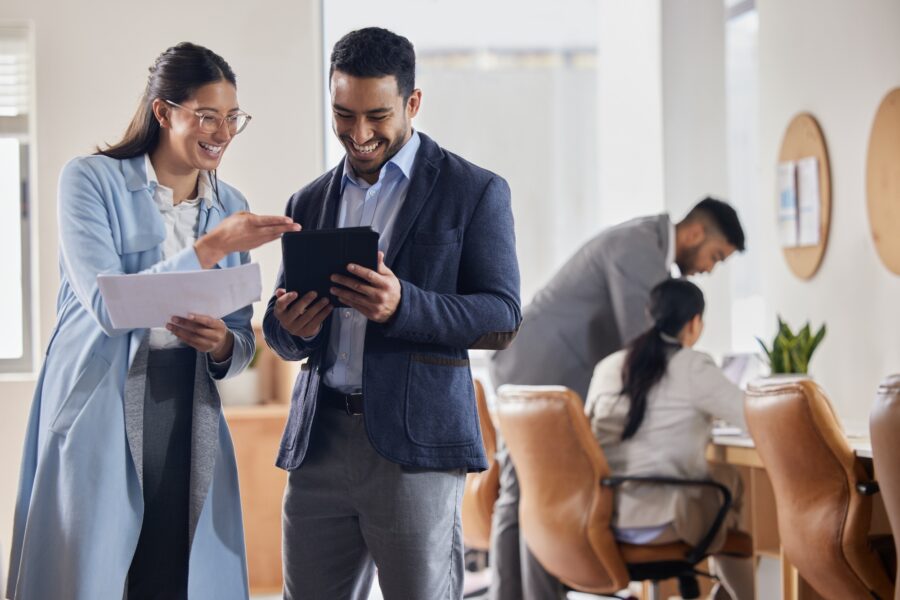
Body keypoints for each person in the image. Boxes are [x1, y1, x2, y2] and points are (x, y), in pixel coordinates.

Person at [7, 42, 299, 600]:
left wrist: (221, 345)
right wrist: (213, 247)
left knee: (172, 573)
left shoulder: (229, 201)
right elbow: (109, 305)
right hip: (98, 401)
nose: (223, 131)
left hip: (185, 409)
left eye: (232, 117)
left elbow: (240, 339)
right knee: (96, 574)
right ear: (164, 111)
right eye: (206, 116)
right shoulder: (90, 181)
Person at [262, 27, 522, 600]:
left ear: (413, 103)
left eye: (376, 116)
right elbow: (279, 332)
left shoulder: (473, 191)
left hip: (415, 449)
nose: (358, 134)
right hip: (319, 442)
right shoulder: (308, 202)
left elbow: (502, 315)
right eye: (343, 114)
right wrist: (290, 328)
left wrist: (403, 305)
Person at [488, 198, 746, 600]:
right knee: (532, 495)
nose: (709, 269)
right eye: (715, 256)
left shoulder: (644, 243)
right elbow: (647, 347)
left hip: (542, 367)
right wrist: (699, 391)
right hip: (541, 368)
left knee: (528, 495)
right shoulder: (640, 249)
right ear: (695, 233)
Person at [585, 278, 754, 600]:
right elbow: (754, 417)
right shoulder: (693, 365)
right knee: (729, 482)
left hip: (602, 518)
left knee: (722, 479)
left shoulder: (609, 366)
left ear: (651, 315)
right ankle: (740, 595)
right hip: (662, 521)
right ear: (694, 323)